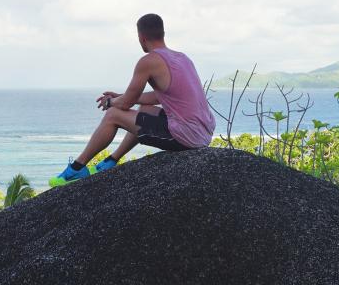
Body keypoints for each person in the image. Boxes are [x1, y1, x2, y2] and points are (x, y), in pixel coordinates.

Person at [53, 13, 216, 184]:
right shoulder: (183, 58)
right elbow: (157, 97)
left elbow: (126, 103)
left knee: (113, 115)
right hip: (202, 132)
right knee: (144, 111)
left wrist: (110, 102)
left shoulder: (149, 61)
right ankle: (111, 161)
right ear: (163, 34)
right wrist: (122, 97)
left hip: (186, 136)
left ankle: (77, 169)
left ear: (141, 38)